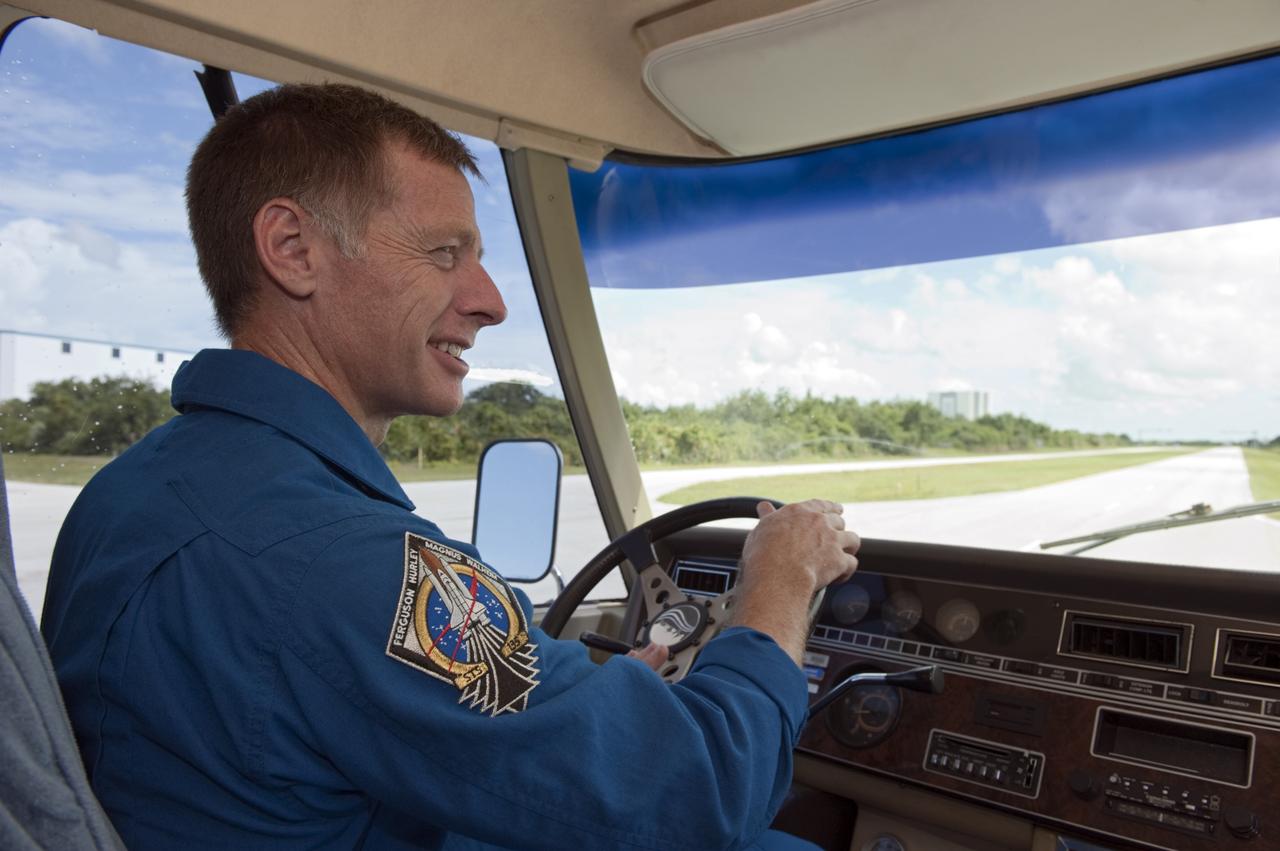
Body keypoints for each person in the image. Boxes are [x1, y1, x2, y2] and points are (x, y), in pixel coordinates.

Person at [41, 83, 860, 850]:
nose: (491, 299)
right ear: (292, 249)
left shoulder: (134, 485)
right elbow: (703, 789)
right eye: (444, 252)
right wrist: (778, 587)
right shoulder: (344, 557)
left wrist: (554, 694)